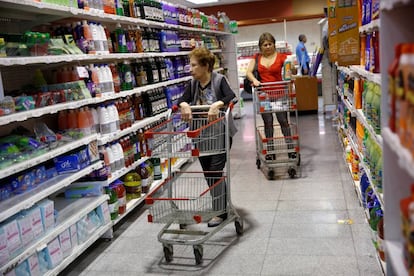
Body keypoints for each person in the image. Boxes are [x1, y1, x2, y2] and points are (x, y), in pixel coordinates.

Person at [178, 47, 237, 227]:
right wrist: (184, 105)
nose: (191, 68)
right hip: (201, 136)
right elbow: (182, 99)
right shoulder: (193, 83)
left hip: (220, 134)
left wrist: (217, 104)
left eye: (194, 65)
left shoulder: (219, 80)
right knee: (210, 174)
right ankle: (222, 207)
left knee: (215, 172)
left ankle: (220, 212)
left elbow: (231, 96)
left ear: (205, 66)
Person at [245, 32, 294, 160]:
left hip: (279, 94)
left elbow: (291, 70)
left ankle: (290, 148)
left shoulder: (282, 57)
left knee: (283, 121)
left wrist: (292, 68)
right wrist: (254, 80)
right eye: (264, 45)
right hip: (264, 95)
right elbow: (248, 72)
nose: (267, 47)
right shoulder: (256, 58)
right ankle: (271, 151)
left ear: (274, 44)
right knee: (268, 122)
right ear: (260, 46)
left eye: (269, 44)